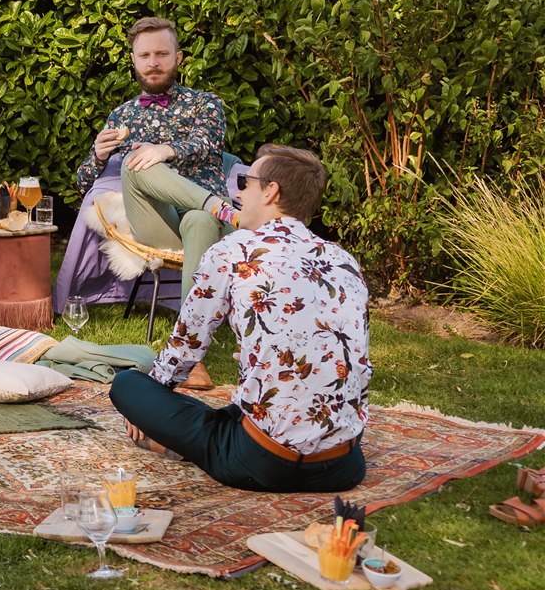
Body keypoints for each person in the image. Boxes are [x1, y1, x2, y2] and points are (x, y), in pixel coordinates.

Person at [111, 144, 369, 493]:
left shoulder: (233, 252)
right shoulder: (343, 260)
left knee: (129, 386)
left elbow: (184, 350)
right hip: (344, 465)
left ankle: (176, 443)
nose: (237, 191)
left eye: (246, 181)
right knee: (239, 410)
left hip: (265, 463)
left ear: (271, 191)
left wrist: (147, 412)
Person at [74, 16, 235, 385]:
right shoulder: (123, 115)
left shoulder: (206, 104)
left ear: (178, 57)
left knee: (199, 220)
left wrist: (166, 149)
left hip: (199, 224)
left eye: (162, 53)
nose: (153, 62)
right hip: (155, 222)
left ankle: (189, 354)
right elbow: (83, 184)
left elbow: (206, 145)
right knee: (133, 164)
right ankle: (217, 204)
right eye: (144, 55)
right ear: (133, 60)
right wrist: (97, 158)